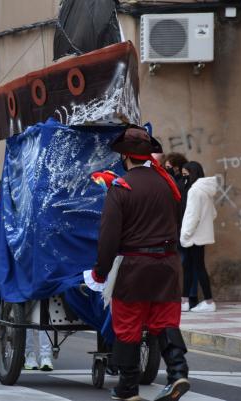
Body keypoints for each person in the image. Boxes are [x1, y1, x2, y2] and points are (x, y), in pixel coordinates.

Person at [90, 126, 190, 401]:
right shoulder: (168, 184)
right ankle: (178, 372)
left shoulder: (120, 187)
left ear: (125, 157)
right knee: (165, 321)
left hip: (134, 267)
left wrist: (100, 271)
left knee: (128, 325)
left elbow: (108, 237)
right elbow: (177, 222)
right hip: (168, 264)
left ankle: (128, 387)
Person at [180, 161, 218, 313]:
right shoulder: (206, 190)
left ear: (192, 173)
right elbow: (213, 214)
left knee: (196, 267)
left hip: (193, 237)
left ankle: (208, 302)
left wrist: (185, 235)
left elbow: (192, 216)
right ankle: (185, 301)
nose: (184, 179)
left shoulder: (195, 191)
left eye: (185, 175)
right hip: (200, 235)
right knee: (190, 266)